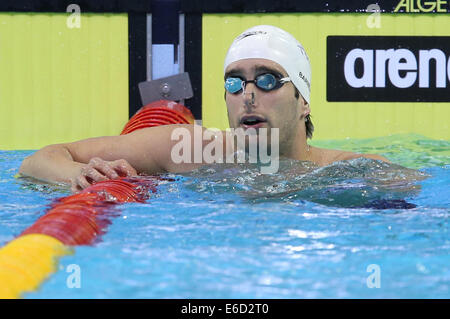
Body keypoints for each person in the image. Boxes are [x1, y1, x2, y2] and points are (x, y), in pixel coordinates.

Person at [19, 25, 389, 192]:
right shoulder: (187, 150)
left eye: (267, 80)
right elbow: (38, 159)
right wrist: (78, 174)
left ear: (303, 101)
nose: (247, 94)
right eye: (234, 82)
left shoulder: (351, 171)